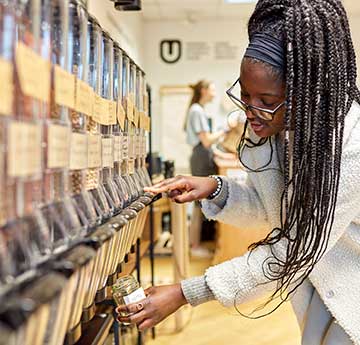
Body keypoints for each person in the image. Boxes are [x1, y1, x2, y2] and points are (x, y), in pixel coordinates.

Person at [116, 0, 360, 343]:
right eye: (245, 96)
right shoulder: (286, 129)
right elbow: (273, 207)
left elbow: (295, 247)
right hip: (324, 282)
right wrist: (216, 188)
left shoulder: (350, 147)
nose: (251, 111)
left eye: (266, 99)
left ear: (305, 92)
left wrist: (186, 292)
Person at [184, 80, 224, 257]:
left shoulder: (198, 110)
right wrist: (225, 130)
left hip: (203, 155)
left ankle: (196, 244)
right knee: (200, 202)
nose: (214, 93)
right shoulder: (197, 111)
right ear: (204, 90)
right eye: (213, 89)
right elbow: (206, 141)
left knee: (202, 201)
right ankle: (194, 246)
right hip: (200, 157)